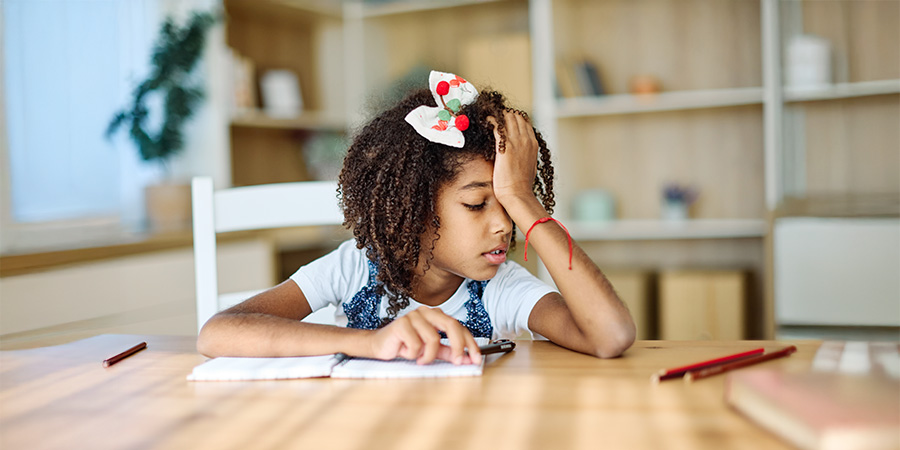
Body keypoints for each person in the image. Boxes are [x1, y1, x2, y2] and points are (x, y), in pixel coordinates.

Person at [197, 71, 635, 364]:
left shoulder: (500, 287)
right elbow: (218, 333)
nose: (504, 225)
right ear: (416, 208)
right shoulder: (354, 268)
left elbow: (610, 335)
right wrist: (371, 342)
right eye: (477, 204)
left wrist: (524, 198)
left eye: (509, 208)